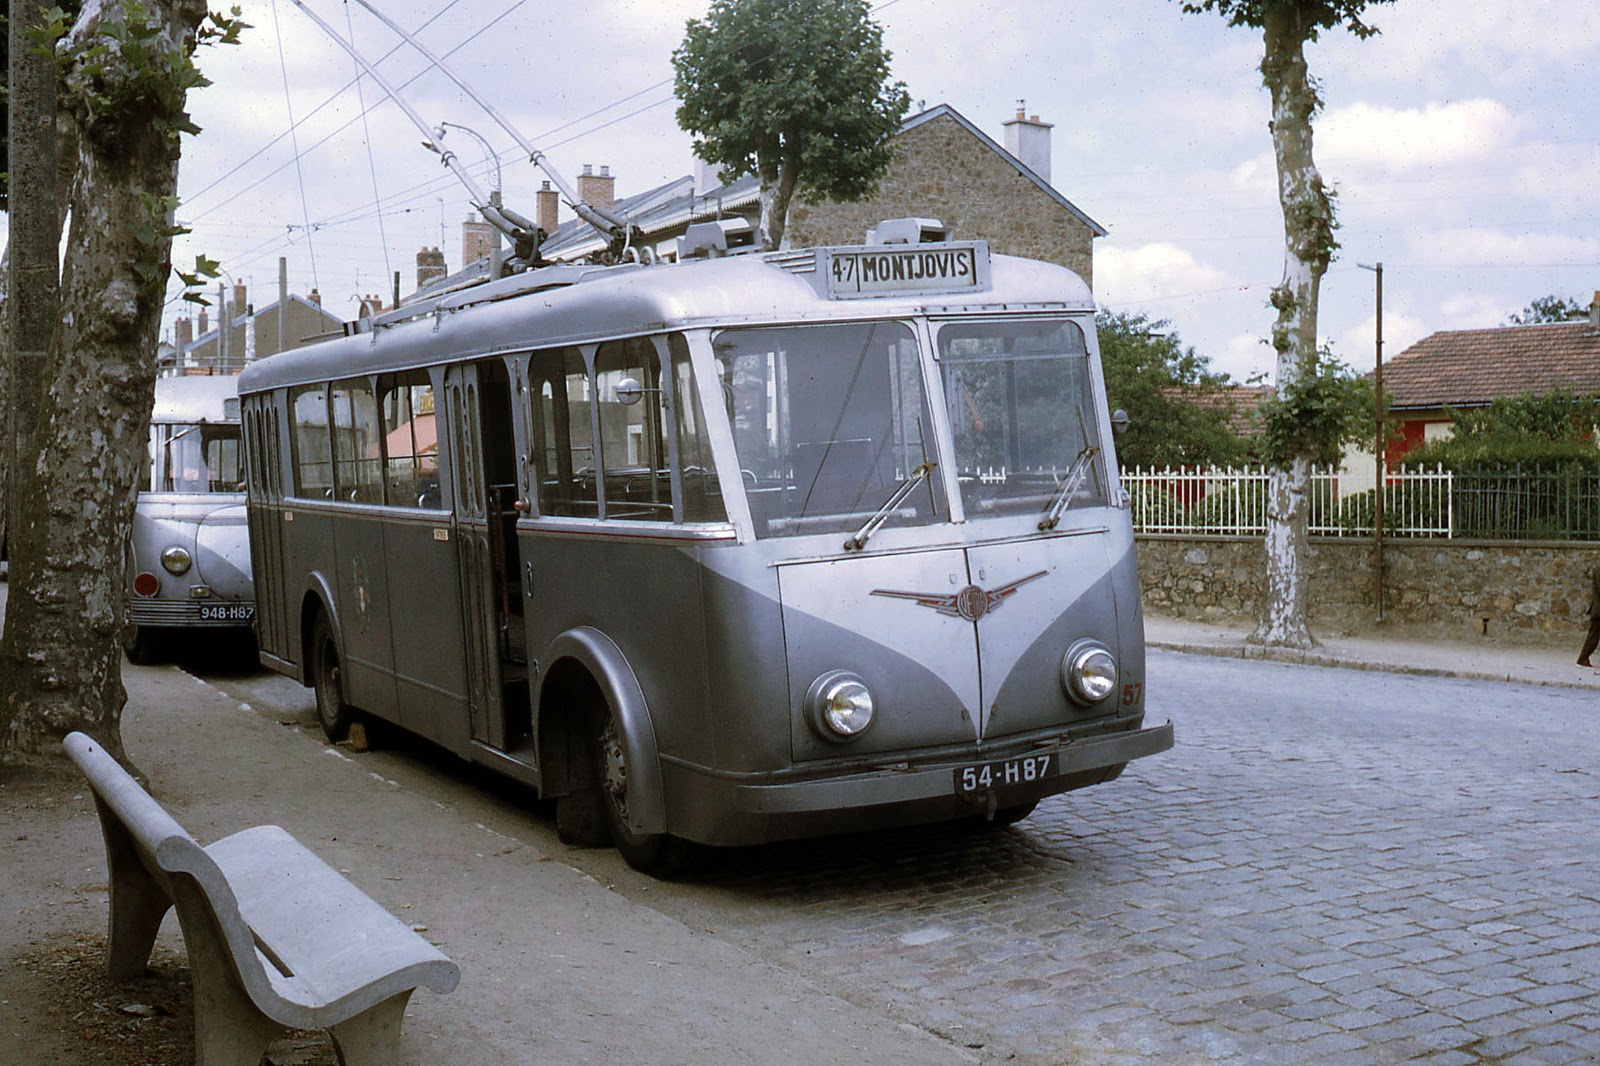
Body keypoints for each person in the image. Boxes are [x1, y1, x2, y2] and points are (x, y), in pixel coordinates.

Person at [1579, 564, 1600, 667]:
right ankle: (1583, 658)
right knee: (1593, 636)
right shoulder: (1599, 569)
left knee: (1594, 635)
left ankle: (1583, 658)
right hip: (1599, 610)